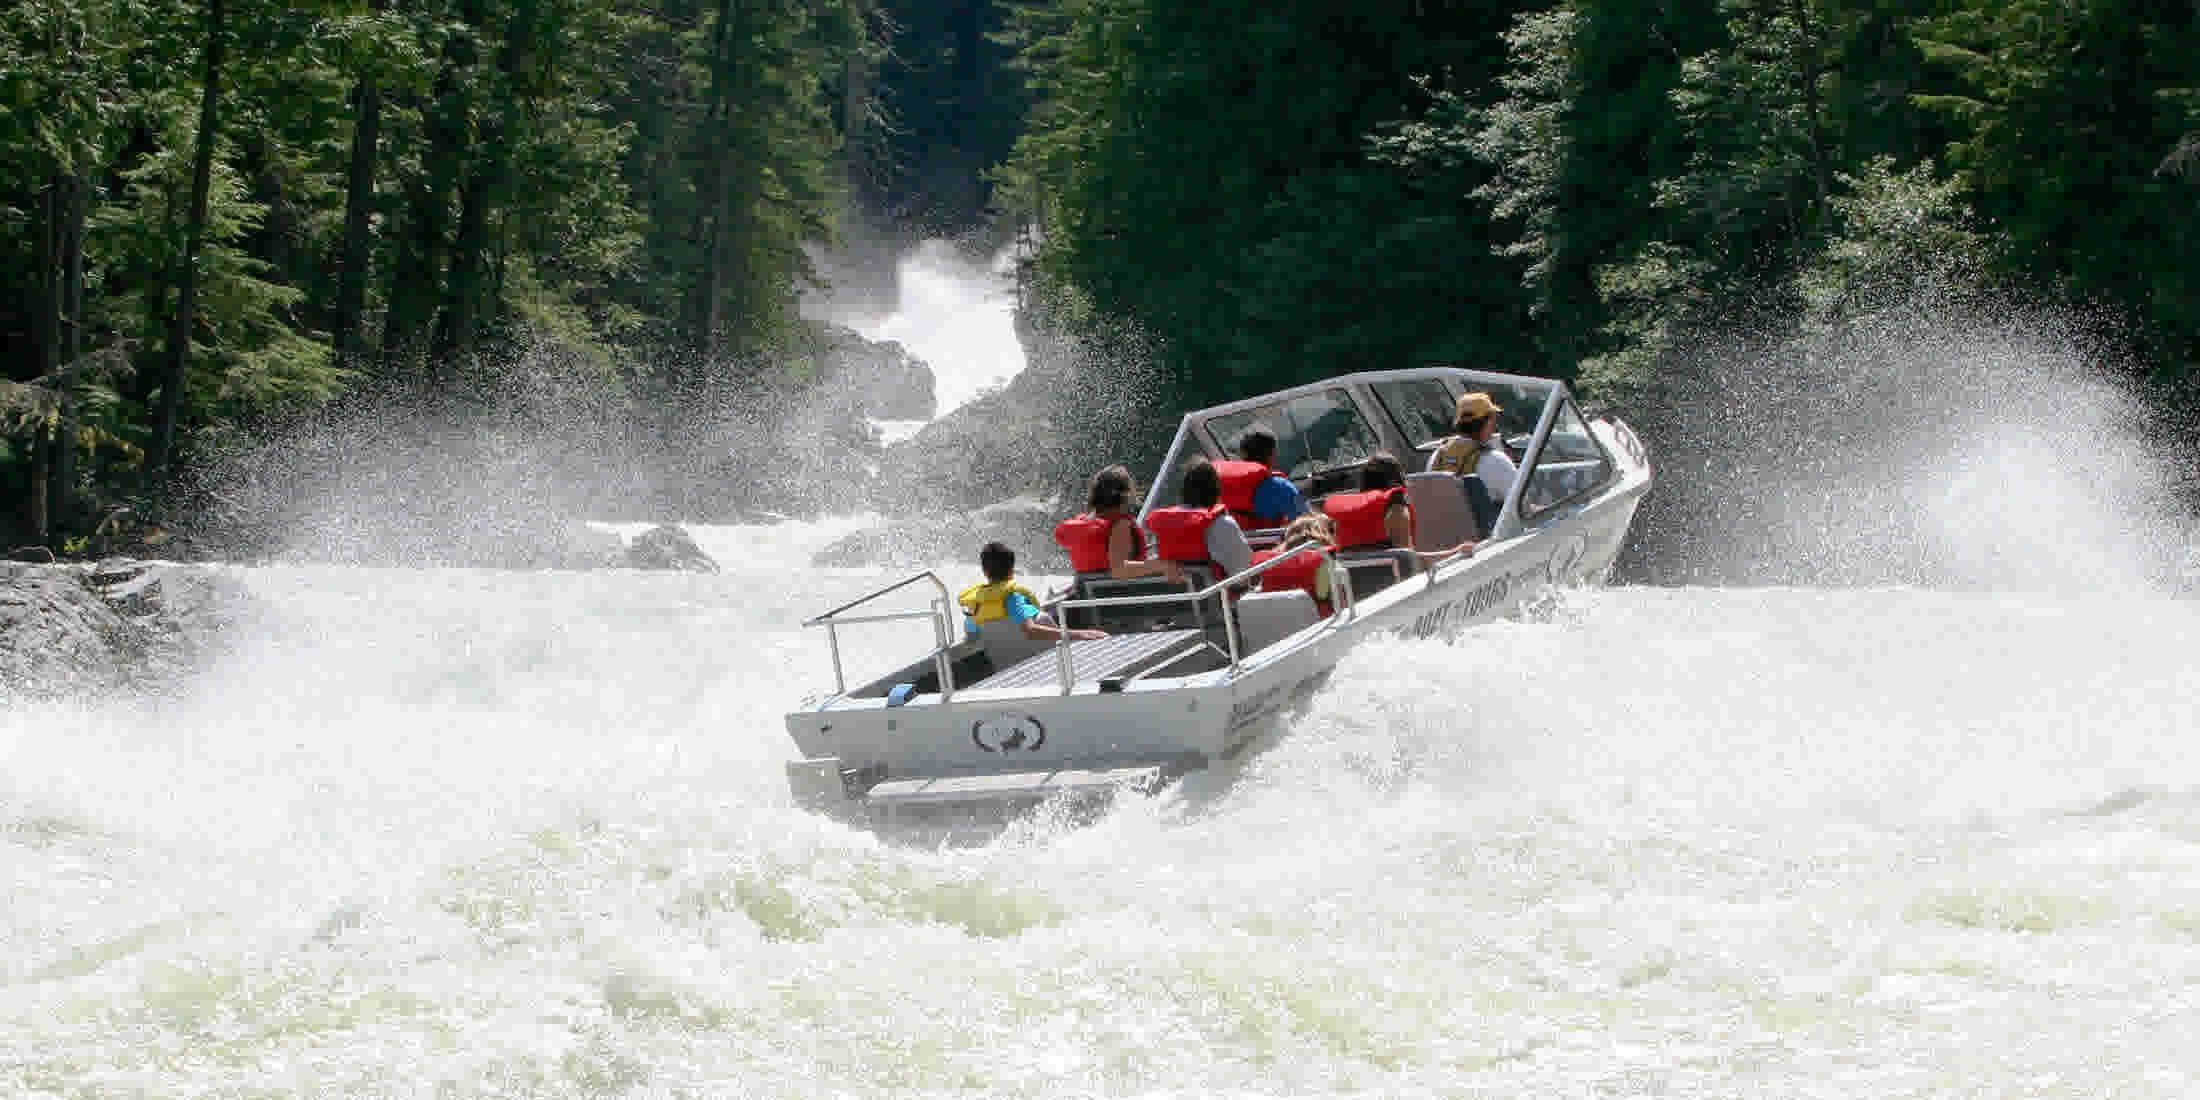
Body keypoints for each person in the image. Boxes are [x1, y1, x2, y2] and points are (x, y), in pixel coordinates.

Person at [1321, 451, 1483, 561]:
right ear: (1396, 480)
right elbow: (1409, 561)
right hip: (1392, 586)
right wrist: (1457, 552)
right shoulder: (1395, 507)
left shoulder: (1340, 513)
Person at [1053, 465, 1183, 582]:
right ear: (1125, 495)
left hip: (1090, 601)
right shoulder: (1120, 525)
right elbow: (1119, 569)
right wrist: (1162, 565)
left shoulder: (1085, 523)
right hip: (1122, 600)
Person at [958, 542, 1105, 643]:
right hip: (1040, 660)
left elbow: (971, 636)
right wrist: (1082, 634)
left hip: (1004, 666)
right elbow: (1030, 630)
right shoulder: (1013, 598)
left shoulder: (976, 604)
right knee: (1049, 613)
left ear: (984, 571)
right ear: (1012, 569)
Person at [1143, 458, 1254, 579]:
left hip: (1173, 596)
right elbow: (1245, 571)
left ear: (1183, 491)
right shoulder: (1222, 524)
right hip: (1218, 596)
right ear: (1216, 490)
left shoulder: (1162, 526)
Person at [1425, 391, 1519, 501]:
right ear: (1488, 423)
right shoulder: (1497, 460)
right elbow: (1523, 506)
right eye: (1493, 418)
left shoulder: (1437, 456)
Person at [1212, 429, 1304, 529]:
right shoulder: (1281, 487)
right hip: (1270, 543)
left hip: (1233, 542)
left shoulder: (1216, 485)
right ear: (1272, 454)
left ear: (1242, 454)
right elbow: (1305, 522)